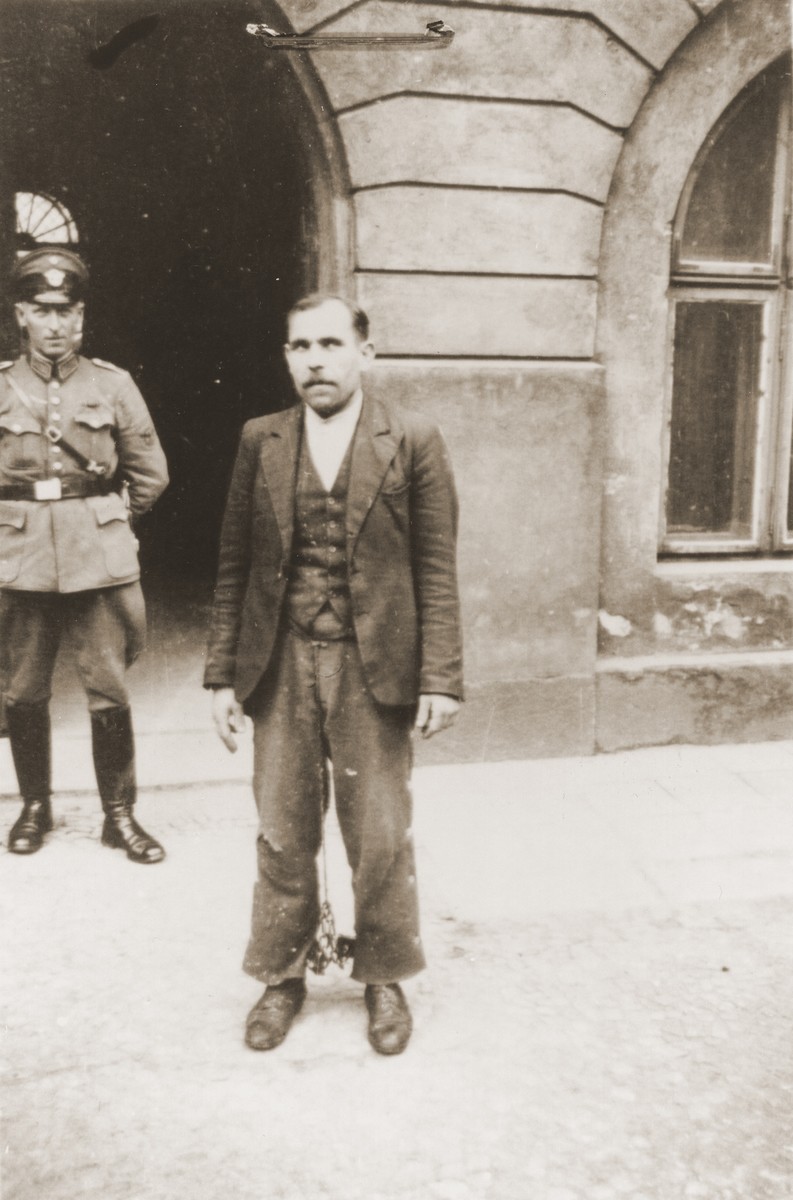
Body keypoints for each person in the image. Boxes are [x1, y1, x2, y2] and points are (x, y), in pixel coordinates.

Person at [205, 294, 463, 1055]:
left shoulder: (410, 438)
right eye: (298, 347)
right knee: (283, 829)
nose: (313, 360)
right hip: (280, 660)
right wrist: (222, 676)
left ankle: (383, 975)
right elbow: (233, 564)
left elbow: (436, 569)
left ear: (364, 353)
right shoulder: (262, 438)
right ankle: (282, 976)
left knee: (378, 831)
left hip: (372, 663)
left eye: (329, 344)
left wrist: (440, 677)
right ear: (286, 358)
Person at [0, 247, 169, 862]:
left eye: (65, 310)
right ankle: (35, 807)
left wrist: (111, 520)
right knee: (21, 693)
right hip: (18, 558)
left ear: (80, 317)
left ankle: (119, 815)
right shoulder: (2, 385)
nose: (54, 323)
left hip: (95, 560)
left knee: (109, 691)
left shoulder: (111, 384)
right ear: (22, 314)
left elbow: (150, 473)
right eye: (42, 310)